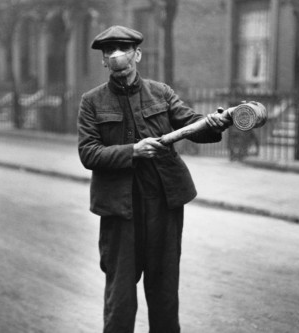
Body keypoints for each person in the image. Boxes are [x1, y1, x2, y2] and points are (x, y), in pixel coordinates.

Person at [77, 25, 232, 333]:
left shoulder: (161, 92)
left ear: (137, 54)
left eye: (124, 50)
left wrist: (215, 122)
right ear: (104, 61)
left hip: (163, 203)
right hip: (120, 210)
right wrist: (132, 150)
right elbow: (88, 153)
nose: (118, 56)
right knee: (120, 297)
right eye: (110, 51)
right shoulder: (92, 102)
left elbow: (191, 124)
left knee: (163, 292)